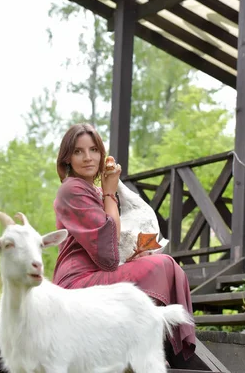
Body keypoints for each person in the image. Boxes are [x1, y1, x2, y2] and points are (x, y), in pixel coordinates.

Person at [51, 123, 196, 366]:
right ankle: (142, 342)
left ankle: (142, 339)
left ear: (102, 153)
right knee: (163, 266)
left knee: (161, 264)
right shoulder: (72, 189)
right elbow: (107, 255)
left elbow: (111, 248)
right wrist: (109, 194)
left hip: (98, 272)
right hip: (77, 282)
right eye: (78, 152)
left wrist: (133, 255)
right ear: (67, 158)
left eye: (93, 150)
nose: (88, 158)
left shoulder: (93, 189)